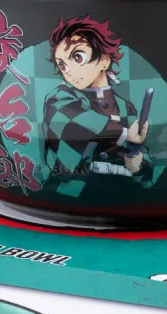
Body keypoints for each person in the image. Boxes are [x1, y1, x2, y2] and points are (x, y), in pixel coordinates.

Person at [41, 15, 155, 189]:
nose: (68, 71)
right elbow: (74, 125)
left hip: (118, 193)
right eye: (62, 65)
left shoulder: (126, 107)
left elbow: (142, 157)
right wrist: (125, 134)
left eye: (77, 57)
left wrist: (138, 163)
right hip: (69, 191)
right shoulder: (58, 98)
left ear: (104, 59)